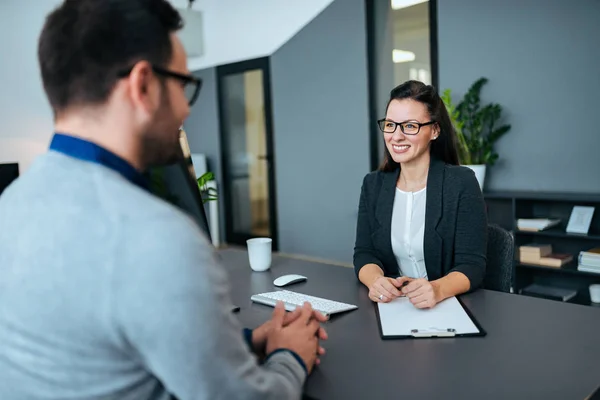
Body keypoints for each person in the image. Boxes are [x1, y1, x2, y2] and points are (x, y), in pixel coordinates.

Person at [0, 1, 327, 399]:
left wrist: (243, 340)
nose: (186, 109)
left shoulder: (11, 204)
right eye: (182, 85)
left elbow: (96, 348)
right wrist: (290, 356)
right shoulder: (154, 236)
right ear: (142, 85)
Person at [353, 80, 487, 309]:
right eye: (390, 125)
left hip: (448, 306)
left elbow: (472, 264)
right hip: (394, 306)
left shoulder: (461, 183)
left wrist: (437, 289)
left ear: (434, 130)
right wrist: (376, 281)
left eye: (410, 126)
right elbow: (364, 253)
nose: (396, 136)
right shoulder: (373, 185)